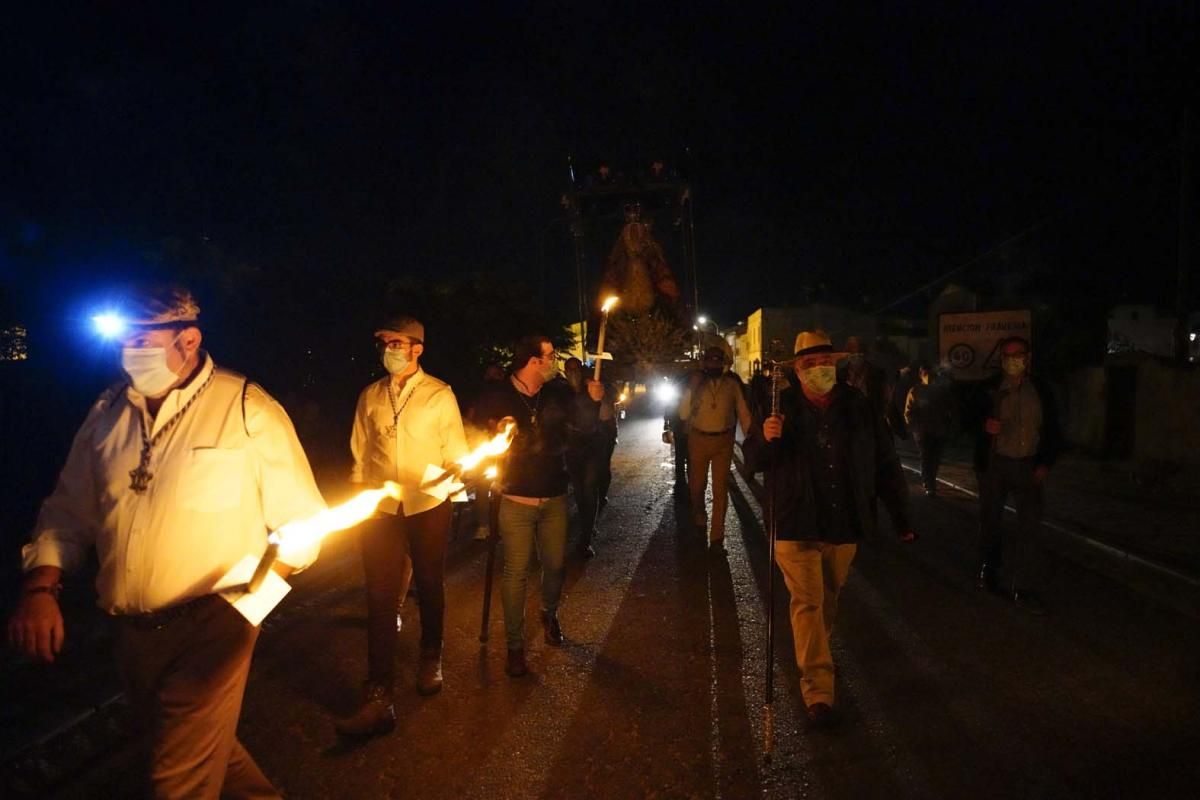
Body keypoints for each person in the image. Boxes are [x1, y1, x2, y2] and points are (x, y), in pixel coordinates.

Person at [7, 285, 326, 798]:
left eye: (141, 339)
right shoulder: (106, 414)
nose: (128, 352)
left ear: (188, 339)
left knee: (174, 782)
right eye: (122, 341)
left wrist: (244, 611)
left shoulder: (245, 406)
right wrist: (40, 589)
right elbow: (68, 511)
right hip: (131, 634)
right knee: (196, 751)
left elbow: (305, 526)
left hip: (214, 628)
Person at [743, 330, 915, 729]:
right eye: (810, 364)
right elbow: (753, 461)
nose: (819, 370)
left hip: (843, 522)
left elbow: (885, 463)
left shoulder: (858, 406)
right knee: (808, 601)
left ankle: (813, 652)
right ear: (797, 371)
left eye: (825, 363)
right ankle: (818, 690)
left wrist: (902, 517)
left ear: (835, 365)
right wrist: (768, 440)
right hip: (794, 521)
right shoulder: (778, 407)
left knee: (828, 597)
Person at [337, 315, 468, 737]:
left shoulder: (438, 394)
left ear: (417, 349)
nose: (390, 349)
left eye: (398, 342)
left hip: (428, 504)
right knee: (379, 593)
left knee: (429, 582)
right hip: (380, 508)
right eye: (385, 342)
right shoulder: (370, 396)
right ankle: (378, 691)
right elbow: (359, 452)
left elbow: (457, 454)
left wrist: (450, 482)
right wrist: (360, 500)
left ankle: (431, 653)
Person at [474, 336, 603, 678]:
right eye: (549, 356)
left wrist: (592, 403)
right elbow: (479, 438)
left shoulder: (558, 393)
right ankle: (515, 647)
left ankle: (549, 612)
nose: (553, 361)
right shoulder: (497, 396)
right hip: (515, 498)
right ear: (533, 361)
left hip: (555, 496)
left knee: (555, 565)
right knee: (515, 573)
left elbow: (584, 432)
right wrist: (493, 436)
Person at [971, 336, 1061, 615]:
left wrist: (1045, 462)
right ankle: (990, 567)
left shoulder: (1042, 390)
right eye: (1007, 355)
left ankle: (1024, 585)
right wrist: (984, 427)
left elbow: (1054, 428)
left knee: (1030, 527)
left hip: (1028, 466)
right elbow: (967, 420)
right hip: (996, 465)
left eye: (1018, 354)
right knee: (991, 521)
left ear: (1028, 357)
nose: (1013, 360)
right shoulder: (988, 388)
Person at [677, 345, 752, 552]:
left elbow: (743, 412)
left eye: (718, 360)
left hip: (723, 441)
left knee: (720, 490)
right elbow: (683, 414)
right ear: (704, 362)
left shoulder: (732, 385)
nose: (714, 364)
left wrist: (750, 440)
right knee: (696, 486)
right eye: (710, 360)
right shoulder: (695, 384)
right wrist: (691, 388)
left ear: (723, 363)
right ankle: (699, 517)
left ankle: (717, 537)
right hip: (698, 439)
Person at [562, 357, 614, 558]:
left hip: (593, 446)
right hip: (572, 447)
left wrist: (598, 397)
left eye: (576, 369)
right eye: (569, 369)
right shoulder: (561, 392)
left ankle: (585, 537)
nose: (573, 372)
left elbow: (606, 412)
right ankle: (586, 520)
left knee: (590, 488)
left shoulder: (592, 387)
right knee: (579, 490)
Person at [904, 361, 956, 495]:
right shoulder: (915, 391)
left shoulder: (941, 391)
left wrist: (949, 425)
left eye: (930, 373)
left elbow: (951, 409)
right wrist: (915, 427)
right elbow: (908, 411)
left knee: (935, 458)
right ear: (921, 375)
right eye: (926, 373)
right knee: (927, 457)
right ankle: (929, 484)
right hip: (923, 432)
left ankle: (930, 481)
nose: (928, 376)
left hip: (938, 430)